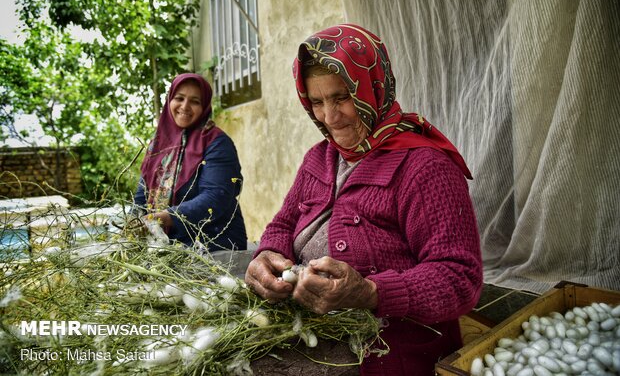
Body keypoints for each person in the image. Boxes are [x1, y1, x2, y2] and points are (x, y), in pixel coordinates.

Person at [245, 24, 482, 375]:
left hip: (389, 356)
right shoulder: (319, 158)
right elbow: (284, 222)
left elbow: (459, 278)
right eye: (316, 102)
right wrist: (269, 255)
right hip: (314, 342)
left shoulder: (425, 167)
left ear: (373, 88)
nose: (329, 116)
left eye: (341, 97)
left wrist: (371, 292)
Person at [133, 73, 247, 252]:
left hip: (213, 244)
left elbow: (215, 196)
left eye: (195, 101)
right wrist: (132, 222)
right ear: (170, 100)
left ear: (204, 106)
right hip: (165, 245)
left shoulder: (216, 142)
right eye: (179, 98)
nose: (185, 106)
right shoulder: (158, 144)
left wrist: (164, 217)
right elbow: (142, 194)